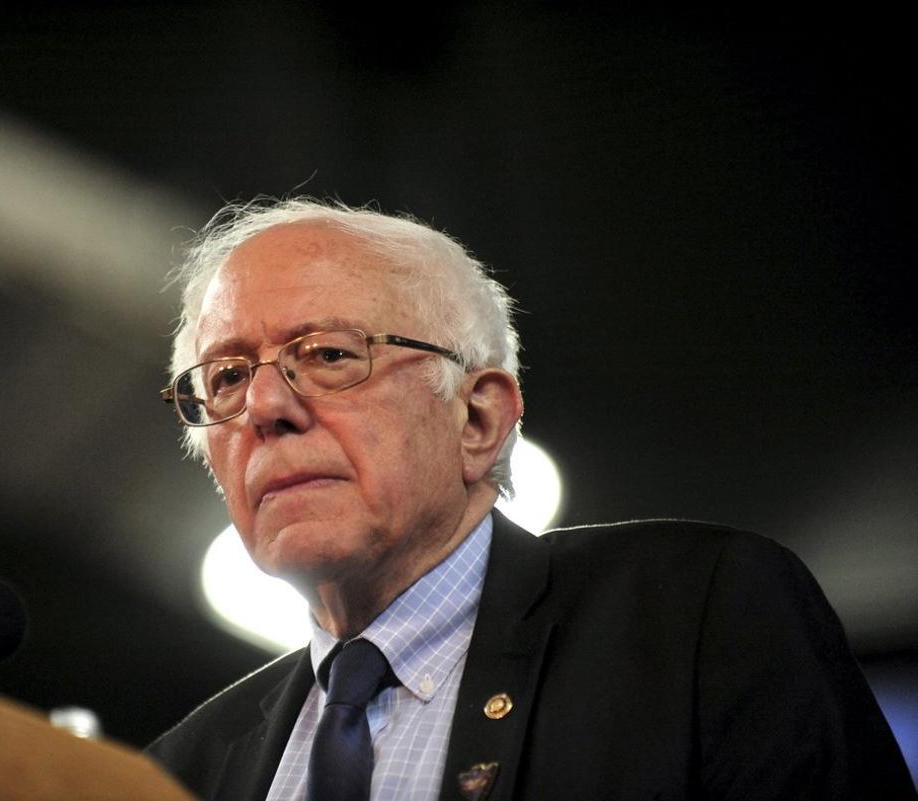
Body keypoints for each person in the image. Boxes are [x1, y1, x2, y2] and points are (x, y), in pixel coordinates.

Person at [148, 198, 914, 801]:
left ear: (479, 417)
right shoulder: (175, 773)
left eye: (329, 355)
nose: (263, 407)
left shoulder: (697, 618)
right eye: (226, 377)